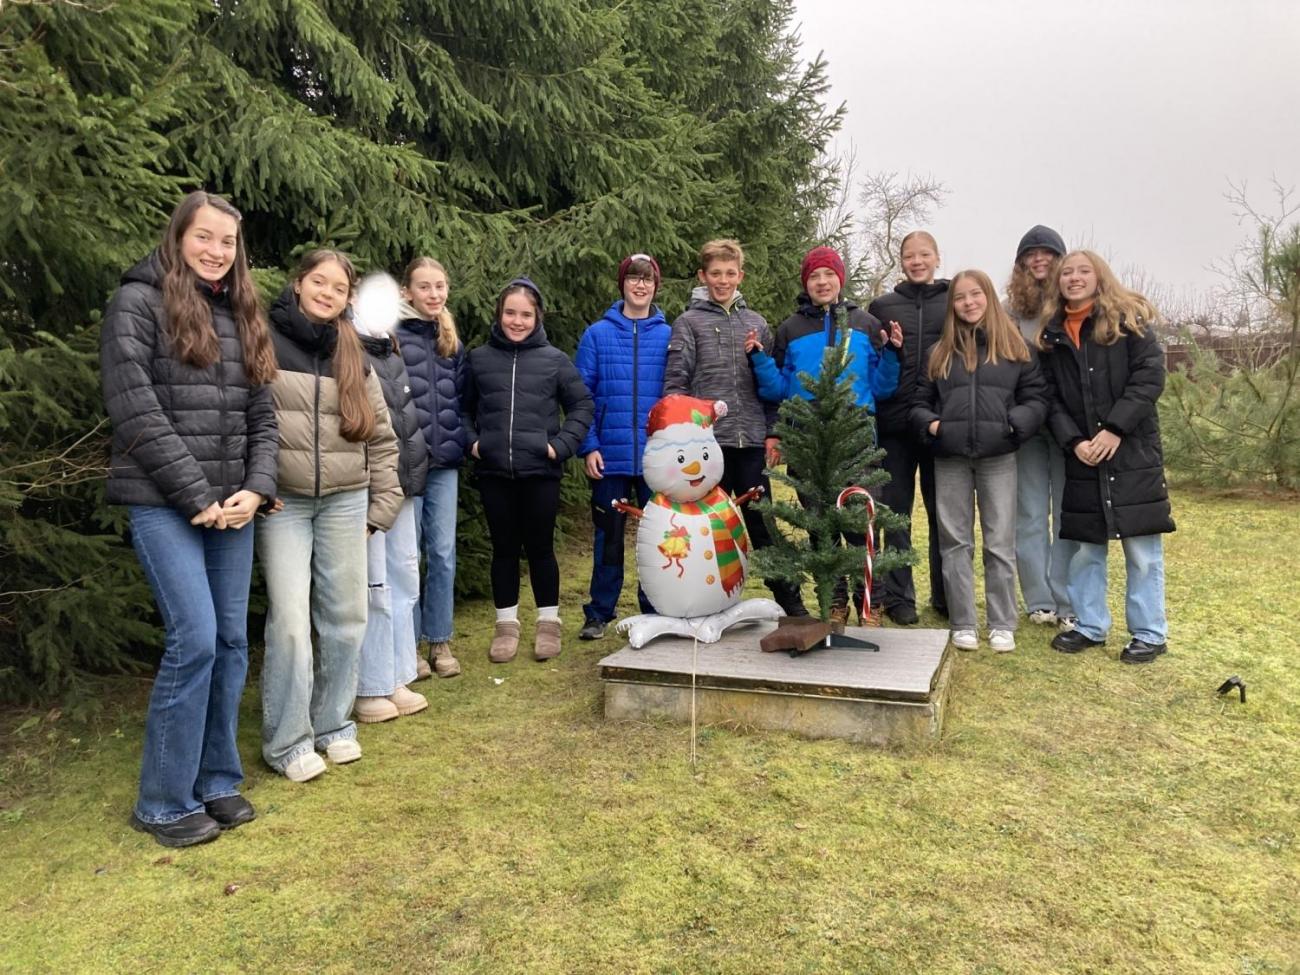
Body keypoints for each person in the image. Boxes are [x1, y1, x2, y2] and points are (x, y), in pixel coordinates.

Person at [101, 190, 278, 847]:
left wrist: (257, 490)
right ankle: (161, 800)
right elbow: (135, 410)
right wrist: (197, 492)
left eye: (227, 242)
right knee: (196, 638)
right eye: (204, 237)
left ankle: (215, 779)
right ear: (178, 237)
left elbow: (264, 411)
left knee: (232, 641)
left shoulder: (239, 312)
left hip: (234, 507)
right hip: (164, 502)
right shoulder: (136, 303)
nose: (215, 251)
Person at [259, 250, 402, 782]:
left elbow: (383, 437)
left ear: (347, 298)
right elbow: (248, 422)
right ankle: (288, 742)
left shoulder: (352, 351)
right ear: (297, 284)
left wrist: (380, 508)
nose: (327, 292)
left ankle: (334, 725)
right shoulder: (264, 341)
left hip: (347, 500)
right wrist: (258, 486)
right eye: (318, 281)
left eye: (338, 287)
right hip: (285, 504)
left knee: (346, 619)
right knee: (292, 623)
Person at [748, 245, 903, 623]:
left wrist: (895, 353)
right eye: (814, 276)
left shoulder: (865, 324)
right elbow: (778, 388)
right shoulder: (790, 328)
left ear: (840, 280)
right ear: (806, 282)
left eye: (828, 275)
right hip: (808, 439)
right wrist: (758, 358)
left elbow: (882, 386)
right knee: (819, 520)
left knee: (859, 518)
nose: (821, 282)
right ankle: (833, 600)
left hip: (856, 436)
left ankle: (870, 599)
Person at [1038, 250, 1174, 663]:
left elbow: (1150, 376)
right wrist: (1074, 441)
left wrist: (1115, 428)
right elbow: (1049, 397)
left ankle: (1150, 633)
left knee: (1141, 550)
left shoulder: (1127, 322)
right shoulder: (1052, 334)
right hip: (1083, 455)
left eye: (1083, 271)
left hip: (1132, 451)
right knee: (1086, 548)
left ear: (1099, 277)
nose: (1074, 278)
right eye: (1067, 273)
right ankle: (1091, 625)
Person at [662, 238, 808, 616]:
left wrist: (773, 431)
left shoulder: (756, 323)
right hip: (706, 448)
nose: (722, 281)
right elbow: (676, 386)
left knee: (764, 526)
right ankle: (707, 606)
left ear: (740, 276)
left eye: (730, 273)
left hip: (751, 445)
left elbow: (771, 387)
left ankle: (792, 605)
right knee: (710, 529)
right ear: (703, 276)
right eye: (715, 274)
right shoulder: (688, 323)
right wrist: (682, 439)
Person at [910, 270, 1048, 652]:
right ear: (952, 305)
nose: (969, 303)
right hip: (950, 457)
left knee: (999, 542)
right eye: (960, 297)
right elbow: (919, 405)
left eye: (976, 295)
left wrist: (1012, 425)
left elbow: (1036, 400)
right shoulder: (938, 354)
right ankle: (963, 622)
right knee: (955, 542)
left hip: (998, 457)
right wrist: (935, 427)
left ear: (987, 297)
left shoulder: (1016, 350)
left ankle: (1002, 621)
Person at [465, 278, 593, 663]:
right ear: (499, 314)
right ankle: (506, 625)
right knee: (504, 551)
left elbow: (582, 406)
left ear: (537, 317)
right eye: (510, 313)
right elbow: (462, 409)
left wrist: (560, 446)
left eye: (525, 314)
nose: (517, 321)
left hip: (540, 472)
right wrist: (474, 443)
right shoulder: (479, 359)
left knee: (540, 549)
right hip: (494, 474)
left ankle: (548, 623)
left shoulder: (554, 360)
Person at [574, 253, 671, 640]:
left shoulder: (669, 334)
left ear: (655, 286)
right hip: (609, 456)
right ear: (623, 284)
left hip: (657, 458)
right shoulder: (597, 334)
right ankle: (600, 611)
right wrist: (589, 446)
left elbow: (675, 395)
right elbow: (582, 396)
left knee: (657, 536)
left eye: (647, 279)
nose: (640, 285)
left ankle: (654, 607)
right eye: (633, 278)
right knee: (608, 535)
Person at [353, 274, 431, 722]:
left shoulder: (390, 346)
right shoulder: (350, 346)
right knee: (374, 585)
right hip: (370, 484)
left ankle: (399, 674)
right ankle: (371, 685)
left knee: (404, 579)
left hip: (405, 480)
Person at [868, 231, 951, 624]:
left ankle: (947, 593)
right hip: (894, 427)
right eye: (909, 256)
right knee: (894, 513)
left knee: (944, 515)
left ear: (936, 257)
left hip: (939, 424)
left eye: (924, 254)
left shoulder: (954, 302)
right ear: (901, 261)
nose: (917, 261)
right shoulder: (883, 306)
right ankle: (899, 597)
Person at [397, 257, 468, 679]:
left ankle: (439, 640)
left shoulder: (451, 340)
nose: (434, 294)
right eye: (424, 287)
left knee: (442, 554)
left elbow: (460, 397)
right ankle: (409, 644)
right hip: (406, 463)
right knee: (408, 557)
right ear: (407, 292)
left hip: (445, 464)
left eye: (440, 286)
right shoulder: (390, 336)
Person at [1005, 225, 1075, 630]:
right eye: (1031, 254)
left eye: (1047, 252)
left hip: (1070, 427)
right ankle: (1039, 599)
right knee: (1030, 515)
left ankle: (1069, 600)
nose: (1039, 259)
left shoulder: (1077, 303)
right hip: (1028, 427)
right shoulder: (1010, 309)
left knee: (1067, 514)